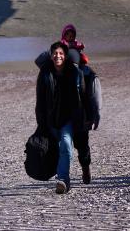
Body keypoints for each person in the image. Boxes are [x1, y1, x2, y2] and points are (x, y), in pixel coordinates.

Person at [35, 42, 98, 193]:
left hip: (69, 118)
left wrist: (91, 116)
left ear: (65, 56)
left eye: (61, 53)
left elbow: (85, 96)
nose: (58, 56)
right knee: (55, 149)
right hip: (51, 119)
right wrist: (40, 122)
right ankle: (62, 177)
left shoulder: (76, 74)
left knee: (66, 145)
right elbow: (40, 101)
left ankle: (63, 180)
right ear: (51, 56)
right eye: (55, 53)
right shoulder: (45, 74)